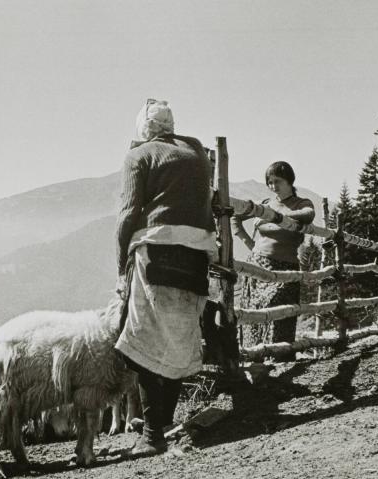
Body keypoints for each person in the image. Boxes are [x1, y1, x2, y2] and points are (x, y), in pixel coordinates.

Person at [115, 99, 217, 456]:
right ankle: (162, 421)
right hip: (198, 253)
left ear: (143, 128)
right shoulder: (197, 152)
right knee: (177, 337)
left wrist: (119, 264)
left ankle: (152, 433)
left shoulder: (139, 156)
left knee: (144, 338)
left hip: (156, 249)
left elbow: (128, 214)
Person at [232, 161, 315, 348]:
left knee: (279, 308)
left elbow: (308, 214)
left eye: (277, 181)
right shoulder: (265, 204)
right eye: (269, 182)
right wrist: (249, 243)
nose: (272, 186)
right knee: (254, 309)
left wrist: (275, 215)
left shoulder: (301, 203)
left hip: (285, 266)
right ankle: (255, 355)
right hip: (258, 264)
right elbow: (234, 216)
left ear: (289, 181)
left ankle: (279, 354)